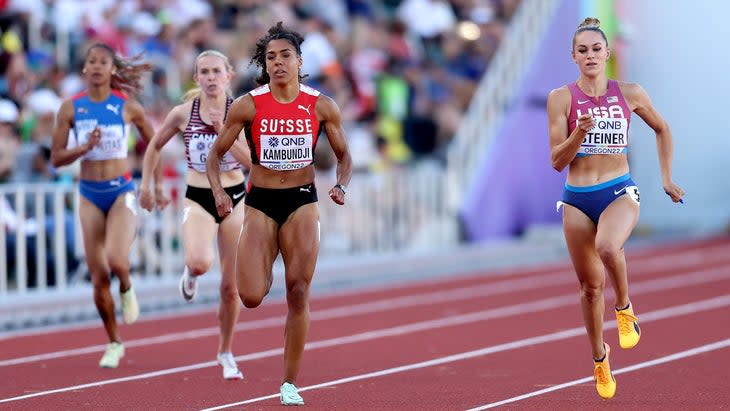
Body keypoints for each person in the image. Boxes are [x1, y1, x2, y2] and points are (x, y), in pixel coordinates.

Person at [206, 22, 352, 406]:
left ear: (299, 61)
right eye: (271, 57)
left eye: (285, 55)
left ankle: (288, 382)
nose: (278, 62)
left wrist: (340, 184)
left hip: (302, 201)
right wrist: (220, 191)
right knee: (251, 296)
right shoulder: (248, 105)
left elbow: (344, 155)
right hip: (261, 203)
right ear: (265, 64)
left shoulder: (321, 105)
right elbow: (215, 154)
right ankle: (266, 258)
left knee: (299, 291)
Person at [547, 18, 685, 399]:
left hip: (618, 190)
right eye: (583, 50)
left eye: (596, 49)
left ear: (607, 53)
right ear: (573, 56)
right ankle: (600, 360)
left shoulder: (630, 92)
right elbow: (557, 161)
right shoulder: (561, 98)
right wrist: (579, 132)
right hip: (576, 198)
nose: (590, 55)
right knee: (590, 289)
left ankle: (624, 309)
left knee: (609, 247)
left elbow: (663, 129)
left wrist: (666, 178)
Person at [139, 49, 251, 380]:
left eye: (217, 71)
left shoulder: (242, 113)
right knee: (201, 263)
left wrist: (223, 133)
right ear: (196, 77)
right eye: (205, 72)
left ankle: (226, 352)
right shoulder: (184, 112)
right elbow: (154, 146)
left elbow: (250, 163)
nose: (212, 77)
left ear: (229, 75)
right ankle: (190, 273)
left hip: (234, 197)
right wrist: (147, 184)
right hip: (198, 196)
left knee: (232, 288)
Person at [50, 43, 160, 369]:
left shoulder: (127, 107)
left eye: (103, 62)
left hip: (121, 191)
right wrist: (85, 147)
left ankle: (126, 286)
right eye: (91, 61)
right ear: (84, 69)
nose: (97, 66)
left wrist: (152, 184)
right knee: (98, 276)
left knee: (116, 259)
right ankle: (114, 342)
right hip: (89, 194)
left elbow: (153, 143)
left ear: (112, 69)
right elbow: (56, 159)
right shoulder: (71, 108)